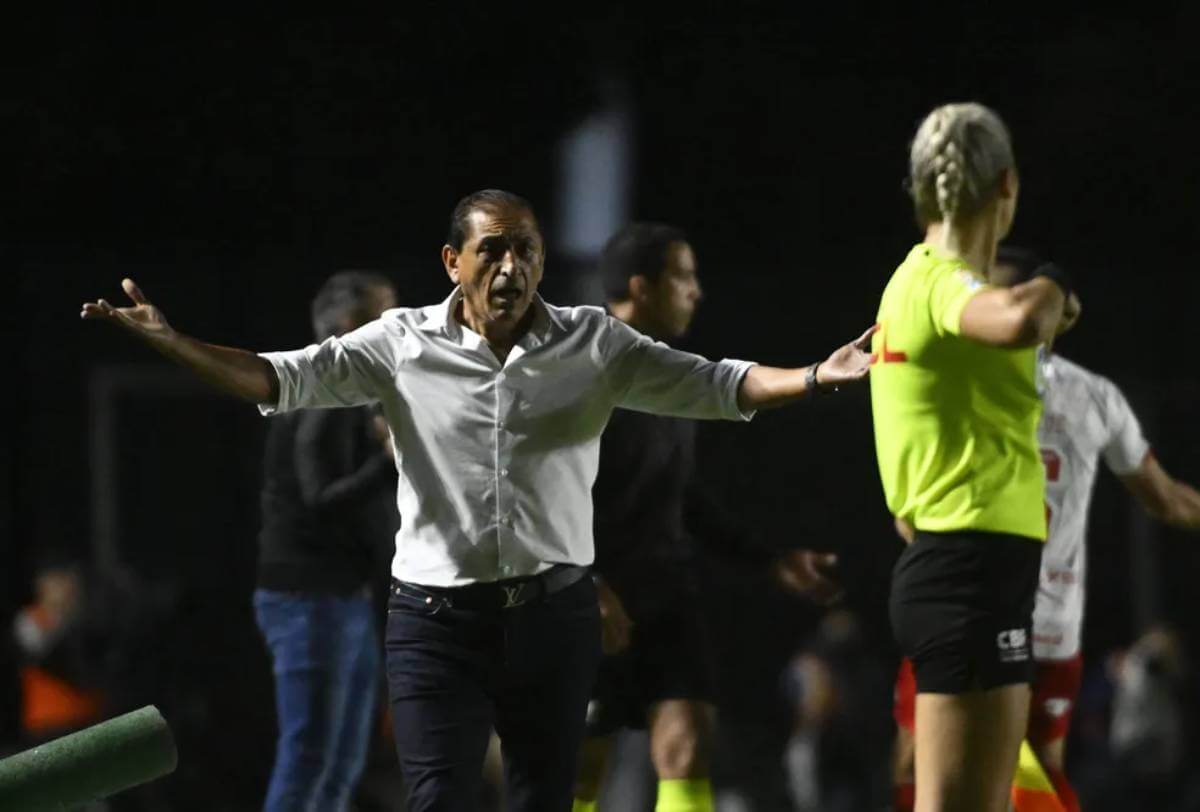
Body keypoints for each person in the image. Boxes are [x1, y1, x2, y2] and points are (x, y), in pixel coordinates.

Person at [81, 188, 875, 811]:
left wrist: (812, 375)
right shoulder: (400, 342)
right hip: (435, 622)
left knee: (541, 800)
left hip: (552, 618)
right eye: (491, 249)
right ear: (453, 261)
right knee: (442, 800)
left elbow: (718, 383)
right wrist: (176, 343)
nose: (511, 267)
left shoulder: (592, 342)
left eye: (525, 249)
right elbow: (276, 376)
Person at [891, 246, 1200, 812]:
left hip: (971, 605)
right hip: (1054, 626)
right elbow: (1169, 500)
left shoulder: (964, 384)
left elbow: (908, 516)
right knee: (1038, 767)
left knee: (921, 762)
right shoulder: (1093, 394)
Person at [571, 223, 842, 812]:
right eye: (684, 276)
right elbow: (539, 493)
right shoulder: (576, 372)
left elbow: (682, 496)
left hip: (666, 591)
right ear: (641, 288)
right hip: (591, 599)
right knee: (579, 768)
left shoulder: (672, 375)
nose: (697, 291)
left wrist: (767, 561)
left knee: (687, 741)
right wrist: (580, 583)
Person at [869, 103, 1074, 812]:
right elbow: (1017, 319)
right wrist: (1050, 284)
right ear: (1006, 186)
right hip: (965, 575)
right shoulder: (940, 282)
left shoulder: (924, 284)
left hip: (980, 572)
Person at [253, 270, 399, 811]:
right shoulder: (319, 393)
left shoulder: (355, 397)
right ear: (347, 325)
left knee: (341, 764)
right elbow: (319, 498)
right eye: (384, 314)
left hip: (345, 596)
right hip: (307, 598)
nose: (397, 326)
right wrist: (386, 464)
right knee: (311, 758)